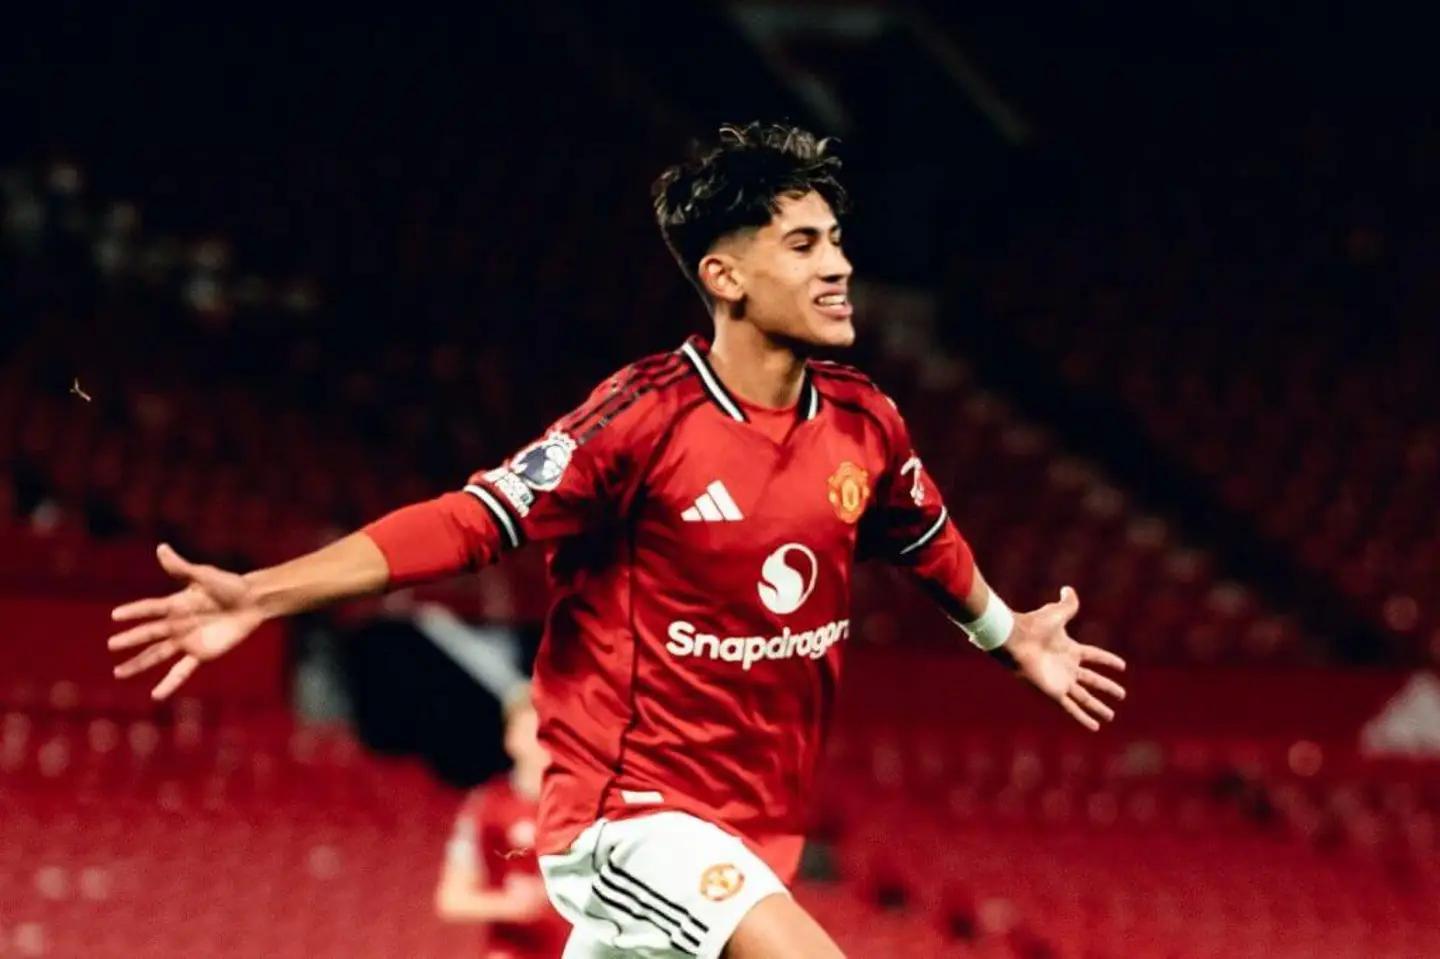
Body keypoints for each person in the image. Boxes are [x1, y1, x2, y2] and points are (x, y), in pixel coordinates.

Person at [106, 121, 1127, 958]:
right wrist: (264, 591)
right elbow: (471, 518)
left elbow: (923, 533)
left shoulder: (865, 419)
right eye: (804, 244)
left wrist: (1009, 634)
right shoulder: (643, 418)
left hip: (753, 823)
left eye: (836, 240)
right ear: (726, 276)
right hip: (628, 815)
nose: (839, 265)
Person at [436, 685, 571, 959]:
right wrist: (511, 905)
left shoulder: (593, 805)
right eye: (532, 732)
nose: (542, 743)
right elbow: (451, 899)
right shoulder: (487, 807)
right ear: (511, 739)